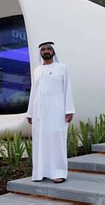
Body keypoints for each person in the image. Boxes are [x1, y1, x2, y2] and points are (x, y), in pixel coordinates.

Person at [26, 41, 75, 183]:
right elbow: (33, 92)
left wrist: (69, 109)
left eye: (49, 49)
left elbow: (68, 89)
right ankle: (40, 172)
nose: (46, 51)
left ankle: (59, 173)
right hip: (39, 113)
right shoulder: (37, 70)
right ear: (40, 53)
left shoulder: (62, 68)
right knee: (41, 142)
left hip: (57, 112)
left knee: (57, 141)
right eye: (43, 49)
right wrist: (30, 113)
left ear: (54, 51)